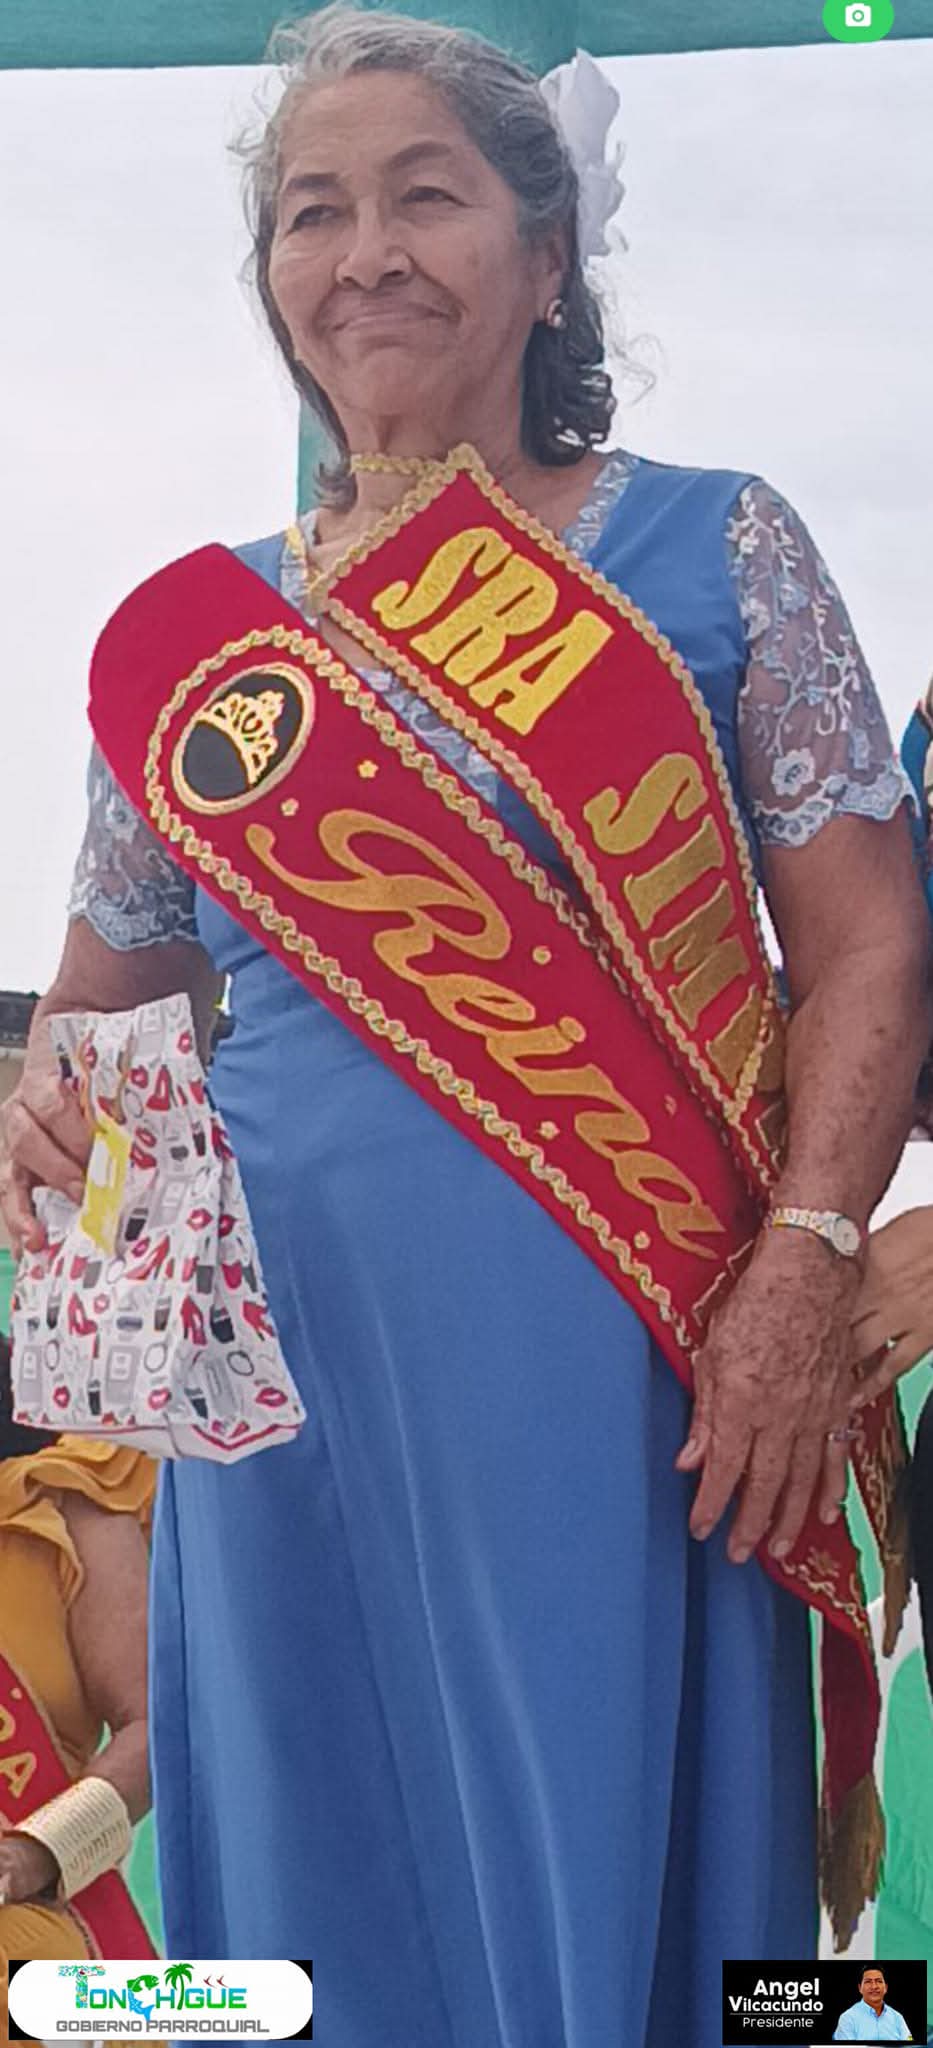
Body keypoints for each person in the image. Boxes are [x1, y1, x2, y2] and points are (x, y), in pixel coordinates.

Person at [0, 8, 929, 2043]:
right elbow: (95, 1006)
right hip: (285, 1383)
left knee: (602, 1849)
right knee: (317, 1866)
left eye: (423, 197)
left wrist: (801, 1258)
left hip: (629, 1344)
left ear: (544, 254)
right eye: (312, 213)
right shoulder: (201, 642)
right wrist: (42, 1109)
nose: (365, 255)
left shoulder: (713, 546)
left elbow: (869, 949)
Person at [0, 1337, 156, 2044]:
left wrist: (36, 1854)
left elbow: (154, 1727)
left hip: (45, 1958)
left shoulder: (66, 1485)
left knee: (264, 2005)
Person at [833, 1965, 914, 2040]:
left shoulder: (897, 2018)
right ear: (860, 1988)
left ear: (886, 1987)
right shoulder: (847, 2018)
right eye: (868, 1981)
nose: (874, 1986)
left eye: (879, 1981)